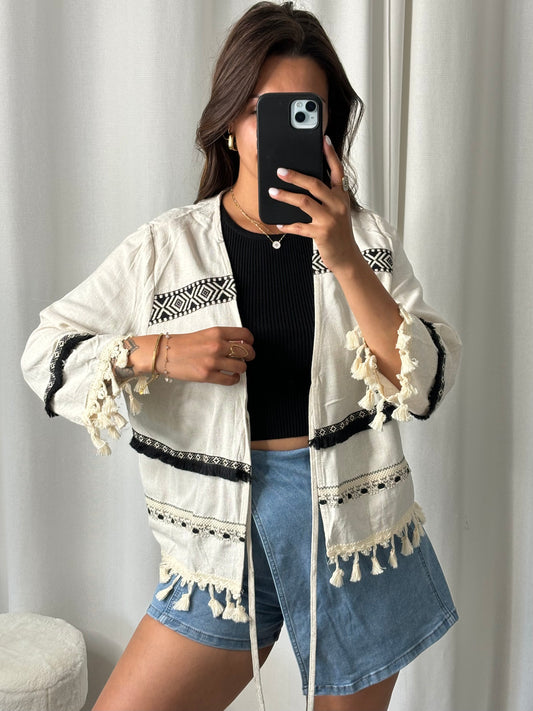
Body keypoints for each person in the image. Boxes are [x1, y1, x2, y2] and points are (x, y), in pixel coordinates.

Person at [20, 3, 462, 710]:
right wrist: (158, 351)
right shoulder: (165, 250)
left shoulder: (366, 239)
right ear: (229, 121)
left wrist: (344, 256)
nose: (285, 128)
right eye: (263, 110)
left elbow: (427, 380)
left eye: (306, 111)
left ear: (327, 125)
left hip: (353, 534)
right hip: (218, 538)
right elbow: (46, 351)